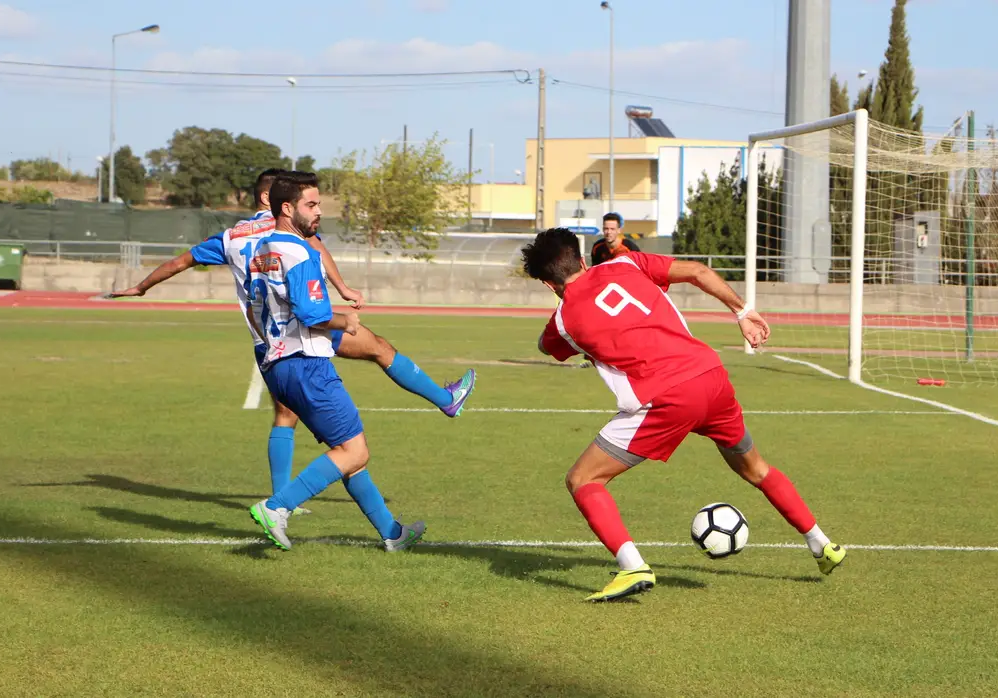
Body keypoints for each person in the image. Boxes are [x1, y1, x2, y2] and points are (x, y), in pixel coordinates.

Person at [108, 168, 476, 506]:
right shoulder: (289, 232)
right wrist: (343, 288)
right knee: (379, 350)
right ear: (272, 199)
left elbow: (180, 262)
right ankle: (445, 399)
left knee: (286, 416)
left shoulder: (231, 237)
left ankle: (283, 498)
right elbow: (317, 248)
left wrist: (141, 287)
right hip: (309, 332)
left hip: (267, 344)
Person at [520, 227, 846, 602]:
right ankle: (822, 543)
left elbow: (546, 346)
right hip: (711, 377)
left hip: (666, 399)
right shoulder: (628, 262)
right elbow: (698, 272)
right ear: (581, 258)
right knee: (756, 468)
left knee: (583, 479)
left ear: (548, 284)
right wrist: (743, 311)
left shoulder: (563, 322)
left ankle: (632, 566)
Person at [247, 171, 424, 552]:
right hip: (307, 364)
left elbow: (257, 309)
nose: (318, 212)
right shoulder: (300, 251)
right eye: (311, 205)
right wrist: (345, 320)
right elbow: (312, 314)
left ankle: (392, 534)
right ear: (286, 207)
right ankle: (277, 507)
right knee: (354, 451)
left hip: (277, 364)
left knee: (348, 455)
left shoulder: (261, 250)